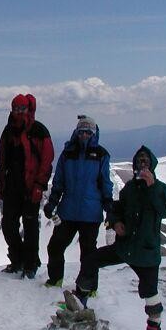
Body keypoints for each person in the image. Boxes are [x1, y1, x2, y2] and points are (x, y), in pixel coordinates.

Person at [66, 145, 166, 330]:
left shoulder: (160, 188)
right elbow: (116, 209)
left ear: (152, 166)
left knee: (150, 291)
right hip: (126, 246)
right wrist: (115, 223)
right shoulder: (130, 189)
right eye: (139, 162)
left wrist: (152, 186)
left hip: (146, 252)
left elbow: (165, 210)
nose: (142, 165)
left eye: (145, 162)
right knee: (91, 260)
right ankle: (80, 300)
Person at [43, 115, 113, 289]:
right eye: (81, 132)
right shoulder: (68, 154)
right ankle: (55, 279)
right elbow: (59, 181)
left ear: (93, 133)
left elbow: (105, 182)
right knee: (55, 246)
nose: (84, 135)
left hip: (90, 213)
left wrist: (109, 207)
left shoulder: (101, 155)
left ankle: (88, 287)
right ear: (76, 132)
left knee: (88, 253)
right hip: (68, 210)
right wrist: (52, 202)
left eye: (88, 132)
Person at [0, 94, 54, 278]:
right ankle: (18, 259)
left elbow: (47, 160)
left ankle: (30, 264)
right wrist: (2, 184)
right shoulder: (9, 131)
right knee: (8, 225)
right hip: (12, 187)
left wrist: (39, 184)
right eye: (16, 109)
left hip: (31, 187)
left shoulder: (38, 130)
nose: (19, 112)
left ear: (28, 109)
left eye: (22, 109)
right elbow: (2, 158)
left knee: (30, 227)